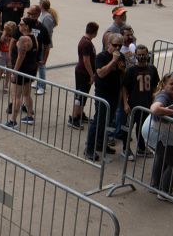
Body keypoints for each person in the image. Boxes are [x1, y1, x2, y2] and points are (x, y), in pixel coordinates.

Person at [143, 73, 173, 198]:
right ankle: (164, 193)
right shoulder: (163, 96)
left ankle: (155, 186)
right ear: (164, 85)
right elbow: (154, 109)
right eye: (171, 83)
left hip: (166, 135)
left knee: (161, 158)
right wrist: (171, 112)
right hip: (163, 135)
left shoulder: (172, 94)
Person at [85, 32, 125, 161]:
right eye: (115, 45)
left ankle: (101, 144)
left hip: (115, 93)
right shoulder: (101, 57)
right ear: (109, 44)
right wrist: (113, 61)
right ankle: (89, 148)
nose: (118, 48)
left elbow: (122, 75)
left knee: (109, 121)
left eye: (120, 45)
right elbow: (100, 74)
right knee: (99, 121)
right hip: (103, 94)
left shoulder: (122, 57)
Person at [121, 45, 158, 156]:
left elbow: (156, 85)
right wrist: (125, 103)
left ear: (147, 55)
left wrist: (154, 98)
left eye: (144, 54)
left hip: (146, 104)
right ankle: (125, 149)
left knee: (142, 128)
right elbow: (124, 87)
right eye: (139, 54)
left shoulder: (152, 69)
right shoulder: (131, 70)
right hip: (133, 105)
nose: (141, 56)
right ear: (135, 55)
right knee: (128, 127)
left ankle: (141, 148)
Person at [5, 19, 39, 128]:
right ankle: (29, 116)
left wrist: (14, 71)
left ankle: (12, 121)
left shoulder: (24, 39)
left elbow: (21, 56)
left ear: (27, 27)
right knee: (26, 94)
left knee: (16, 97)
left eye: (22, 24)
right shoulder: (34, 38)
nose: (19, 25)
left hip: (21, 71)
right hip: (29, 71)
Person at [68, 22, 100, 130]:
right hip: (83, 73)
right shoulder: (86, 43)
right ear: (95, 32)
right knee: (80, 96)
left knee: (83, 95)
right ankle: (74, 118)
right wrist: (92, 75)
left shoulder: (85, 41)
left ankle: (80, 114)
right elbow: (86, 61)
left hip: (83, 72)